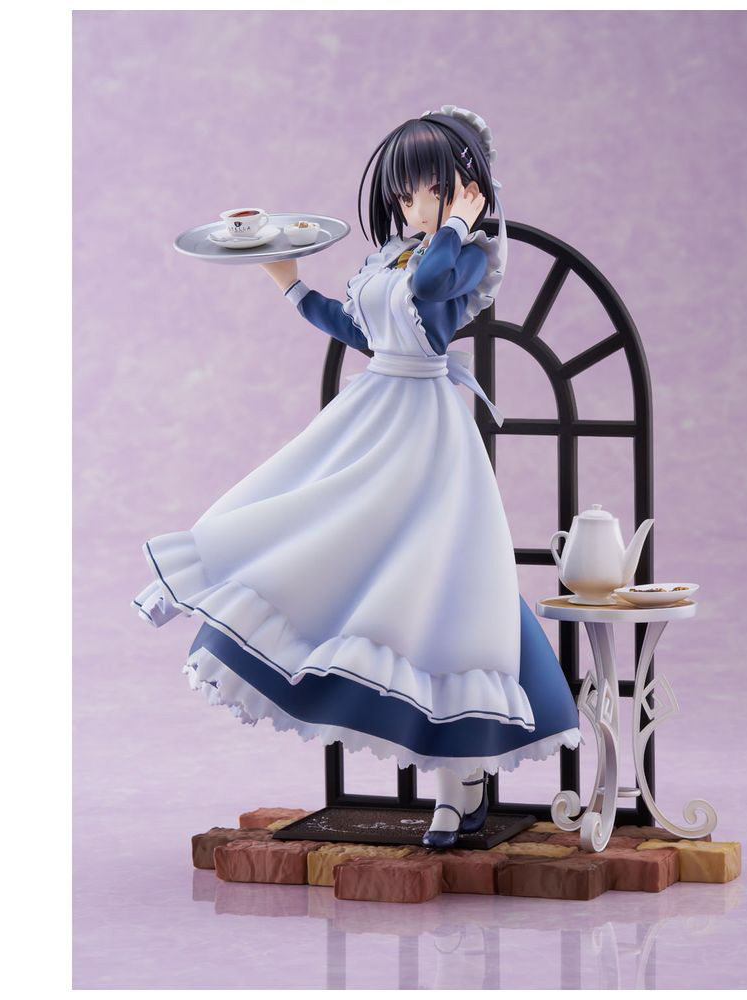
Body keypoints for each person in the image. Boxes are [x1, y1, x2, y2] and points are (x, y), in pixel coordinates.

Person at [132, 105, 580, 848]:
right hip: (372, 413)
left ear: (465, 186)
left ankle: (458, 784)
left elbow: (432, 294)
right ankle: (450, 779)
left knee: (436, 596)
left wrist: (457, 223)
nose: (410, 206)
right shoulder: (395, 256)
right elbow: (361, 330)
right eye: (402, 194)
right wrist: (291, 286)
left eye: (427, 189)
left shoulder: (466, 256)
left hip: (427, 431)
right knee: (316, 534)